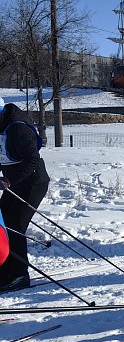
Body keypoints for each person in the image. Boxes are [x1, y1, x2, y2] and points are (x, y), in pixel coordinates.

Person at [0, 98, 50, 292]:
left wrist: (9, 180)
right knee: (4, 223)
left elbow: (32, 160)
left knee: (15, 226)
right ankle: (5, 271)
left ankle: (19, 275)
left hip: (33, 183)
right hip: (14, 183)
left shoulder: (17, 129)